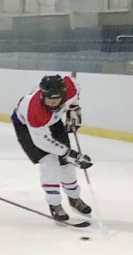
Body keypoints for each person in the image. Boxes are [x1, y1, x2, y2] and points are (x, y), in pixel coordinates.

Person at [12, 74, 92, 222]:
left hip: (52, 121)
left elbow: (74, 85)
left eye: (58, 98)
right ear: (43, 95)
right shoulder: (34, 110)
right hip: (26, 127)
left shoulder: (70, 90)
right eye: (50, 98)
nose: (54, 102)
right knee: (49, 161)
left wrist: (74, 109)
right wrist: (67, 152)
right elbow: (42, 141)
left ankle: (74, 198)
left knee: (66, 163)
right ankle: (54, 203)